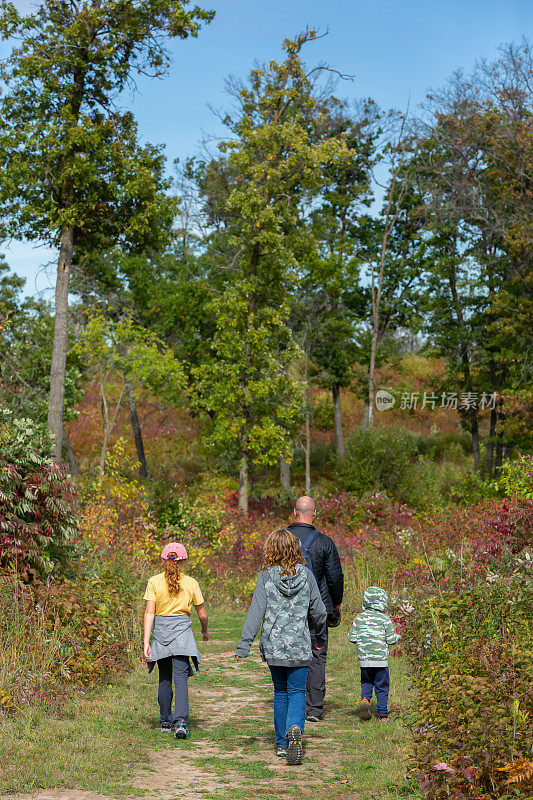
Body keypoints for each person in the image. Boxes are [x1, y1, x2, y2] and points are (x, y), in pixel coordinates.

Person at [235, 528, 327, 765]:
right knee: (297, 691)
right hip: (299, 645)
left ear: (271, 550)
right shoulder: (307, 575)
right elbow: (319, 611)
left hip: (274, 645)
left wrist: (244, 645)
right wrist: (319, 637)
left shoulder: (266, 576)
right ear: (296, 549)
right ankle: (295, 728)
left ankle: (283, 744)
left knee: (280, 692)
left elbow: (256, 612)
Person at [143, 542, 208, 739]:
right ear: (184, 561)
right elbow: (202, 613)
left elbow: (149, 613)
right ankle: (180, 722)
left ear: (163, 560)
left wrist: (147, 641)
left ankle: (164, 721)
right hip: (182, 634)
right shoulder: (191, 583)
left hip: (161, 633)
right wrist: (204, 631)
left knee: (164, 677)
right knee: (180, 680)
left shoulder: (154, 582)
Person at [287, 496, 343, 722]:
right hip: (317, 609)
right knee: (317, 654)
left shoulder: (281, 541)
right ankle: (314, 709)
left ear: (294, 513)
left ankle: (293, 702)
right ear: (315, 514)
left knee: (290, 655)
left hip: (287, 609)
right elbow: (335, 577)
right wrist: (335, 603)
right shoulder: (324, 542)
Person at [348, 586, 400, 722]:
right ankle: (383, 715)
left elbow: (352, 638)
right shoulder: (384, 619)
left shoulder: (359, 619)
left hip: (364, 660)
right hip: (380, 661)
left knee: (366, 681)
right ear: (383, 602)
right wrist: (398, 637)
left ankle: (365, 699)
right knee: (382, 686)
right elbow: (390, 639)